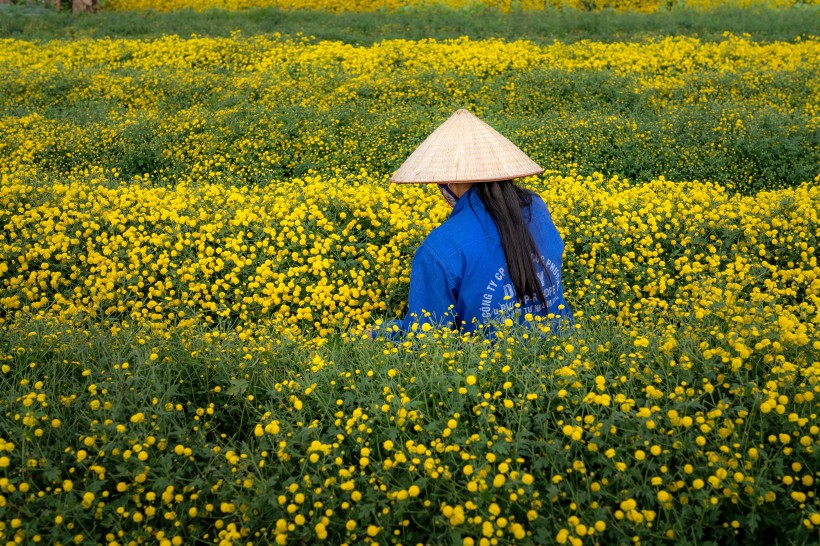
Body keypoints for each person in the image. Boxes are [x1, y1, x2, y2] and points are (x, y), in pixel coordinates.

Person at [373, 109, 572, 337]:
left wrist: (380, 333)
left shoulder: (440, 248)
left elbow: (426, 340)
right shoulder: (537, 208)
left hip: (488, 368)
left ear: (450, 181)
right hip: (562, 353)